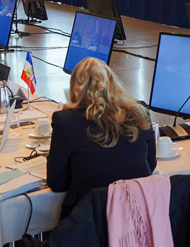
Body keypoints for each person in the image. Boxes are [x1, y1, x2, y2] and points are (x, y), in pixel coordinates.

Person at [47, 58, 157, 219]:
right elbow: (150, 165)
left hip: (90, 220)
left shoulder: (65, 121)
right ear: (112, 83)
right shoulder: (139, 111)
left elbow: (57, 183)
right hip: (140, 215)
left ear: (75, 88)